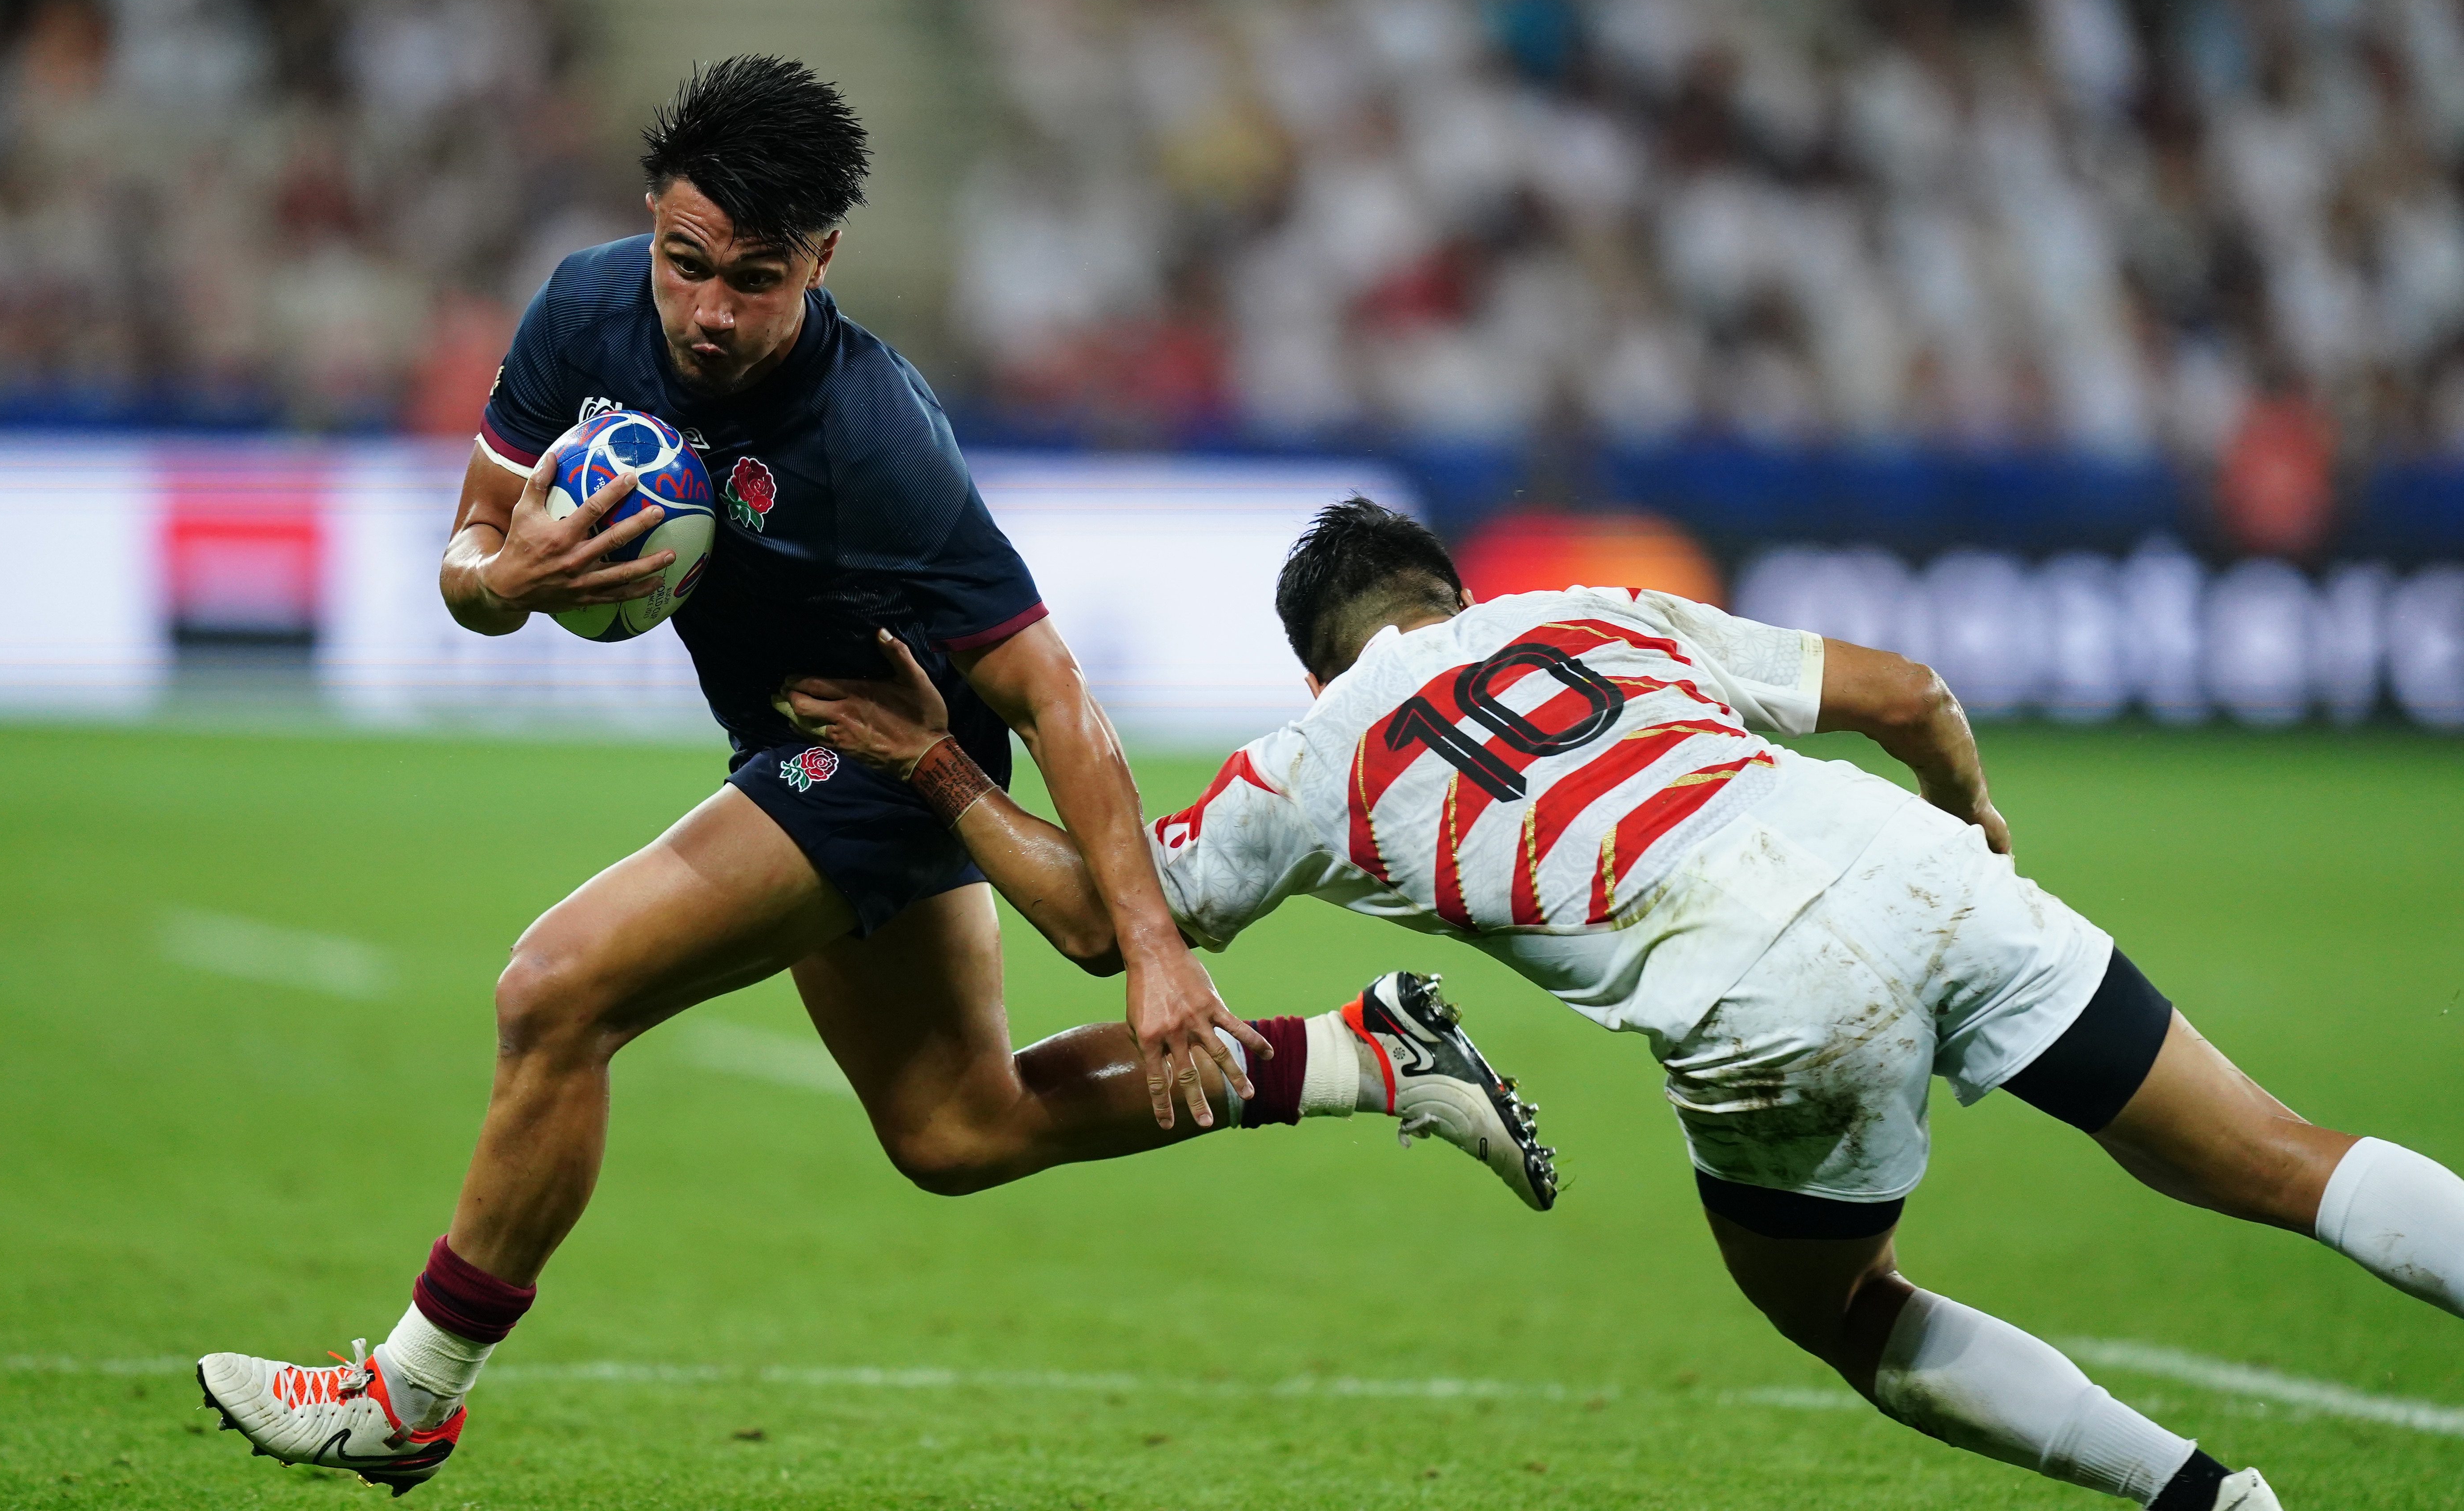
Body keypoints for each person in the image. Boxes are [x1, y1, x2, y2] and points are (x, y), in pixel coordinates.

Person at [191, 64, 1552, 1496]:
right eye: (687, 263)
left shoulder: (875, 440)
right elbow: (467, 559)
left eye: (756, 281)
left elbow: (1054, 691)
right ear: (652, 222)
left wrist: (1150, 954)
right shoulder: (584, 310)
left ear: (822, 260)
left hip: (881, 737)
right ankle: (1366, 1055)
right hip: (795, 739)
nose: (710, 312)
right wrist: (510, 576)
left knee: (555, 988)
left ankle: (409, 1394)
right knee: (955, 1129)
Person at [785, 495, 2464, 1511]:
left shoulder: (1308, 758)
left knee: (1837, 1306)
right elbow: (1910, 692)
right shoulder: (1592, 606)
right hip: (1912, 866)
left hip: (1759, 990)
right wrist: (1970, 825)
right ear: (1451, 593)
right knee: (2274, 1152)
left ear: (1321, 661)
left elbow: (1102, 923)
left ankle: (2203, 1494)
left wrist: (935, 763)